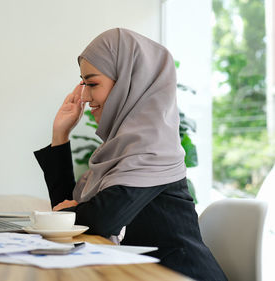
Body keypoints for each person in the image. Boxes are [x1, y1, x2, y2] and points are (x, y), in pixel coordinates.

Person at [34, 28, 227, 280]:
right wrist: (60, 136)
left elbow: (102, 220)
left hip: (182, 275)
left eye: (92, 84)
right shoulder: (122, 146)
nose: (84, 97)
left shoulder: (153, 145)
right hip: (144, 273)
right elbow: (71, 218)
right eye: (83, 84)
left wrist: (72, 213)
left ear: (129, 81)